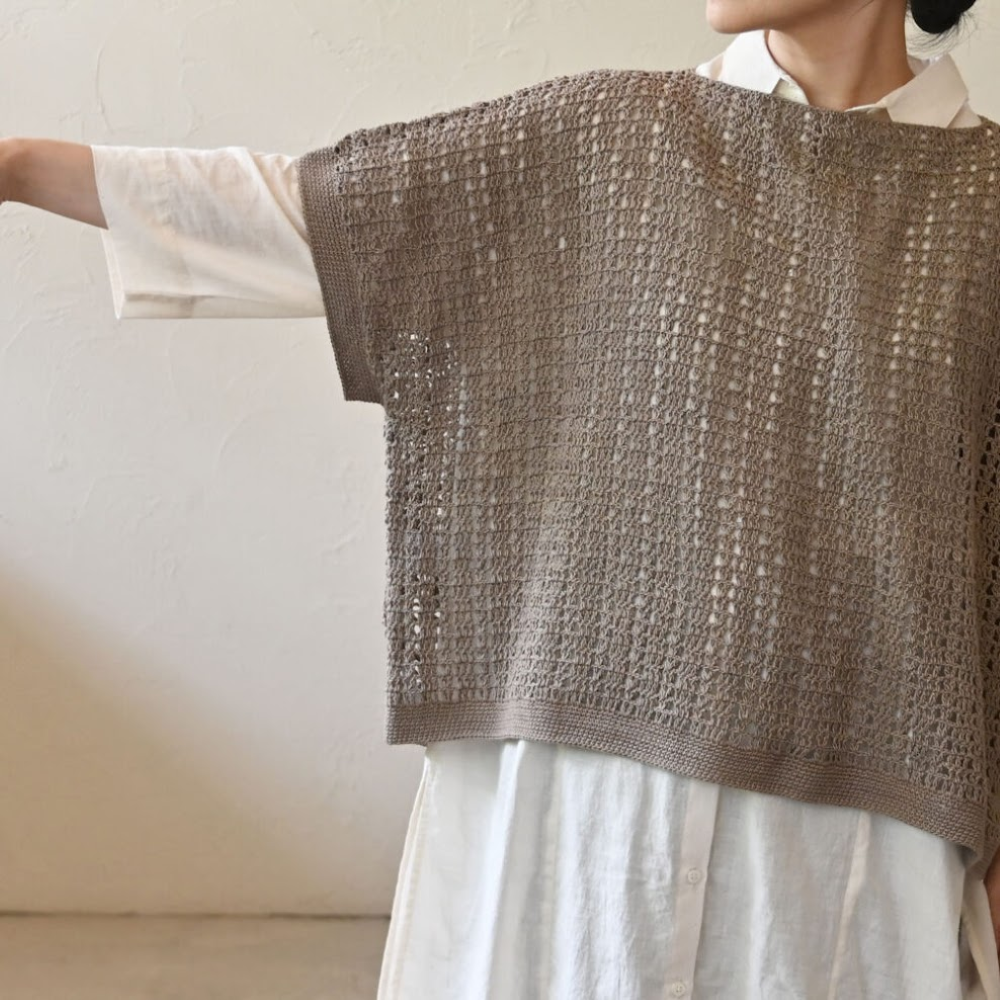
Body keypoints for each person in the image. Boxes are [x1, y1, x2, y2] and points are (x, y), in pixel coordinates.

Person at [2, 1, 997, 997]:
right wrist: (18, 165)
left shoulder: (985, 204)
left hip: (851, 848)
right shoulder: (616, 137)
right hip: (582, 812)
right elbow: (325, 213)